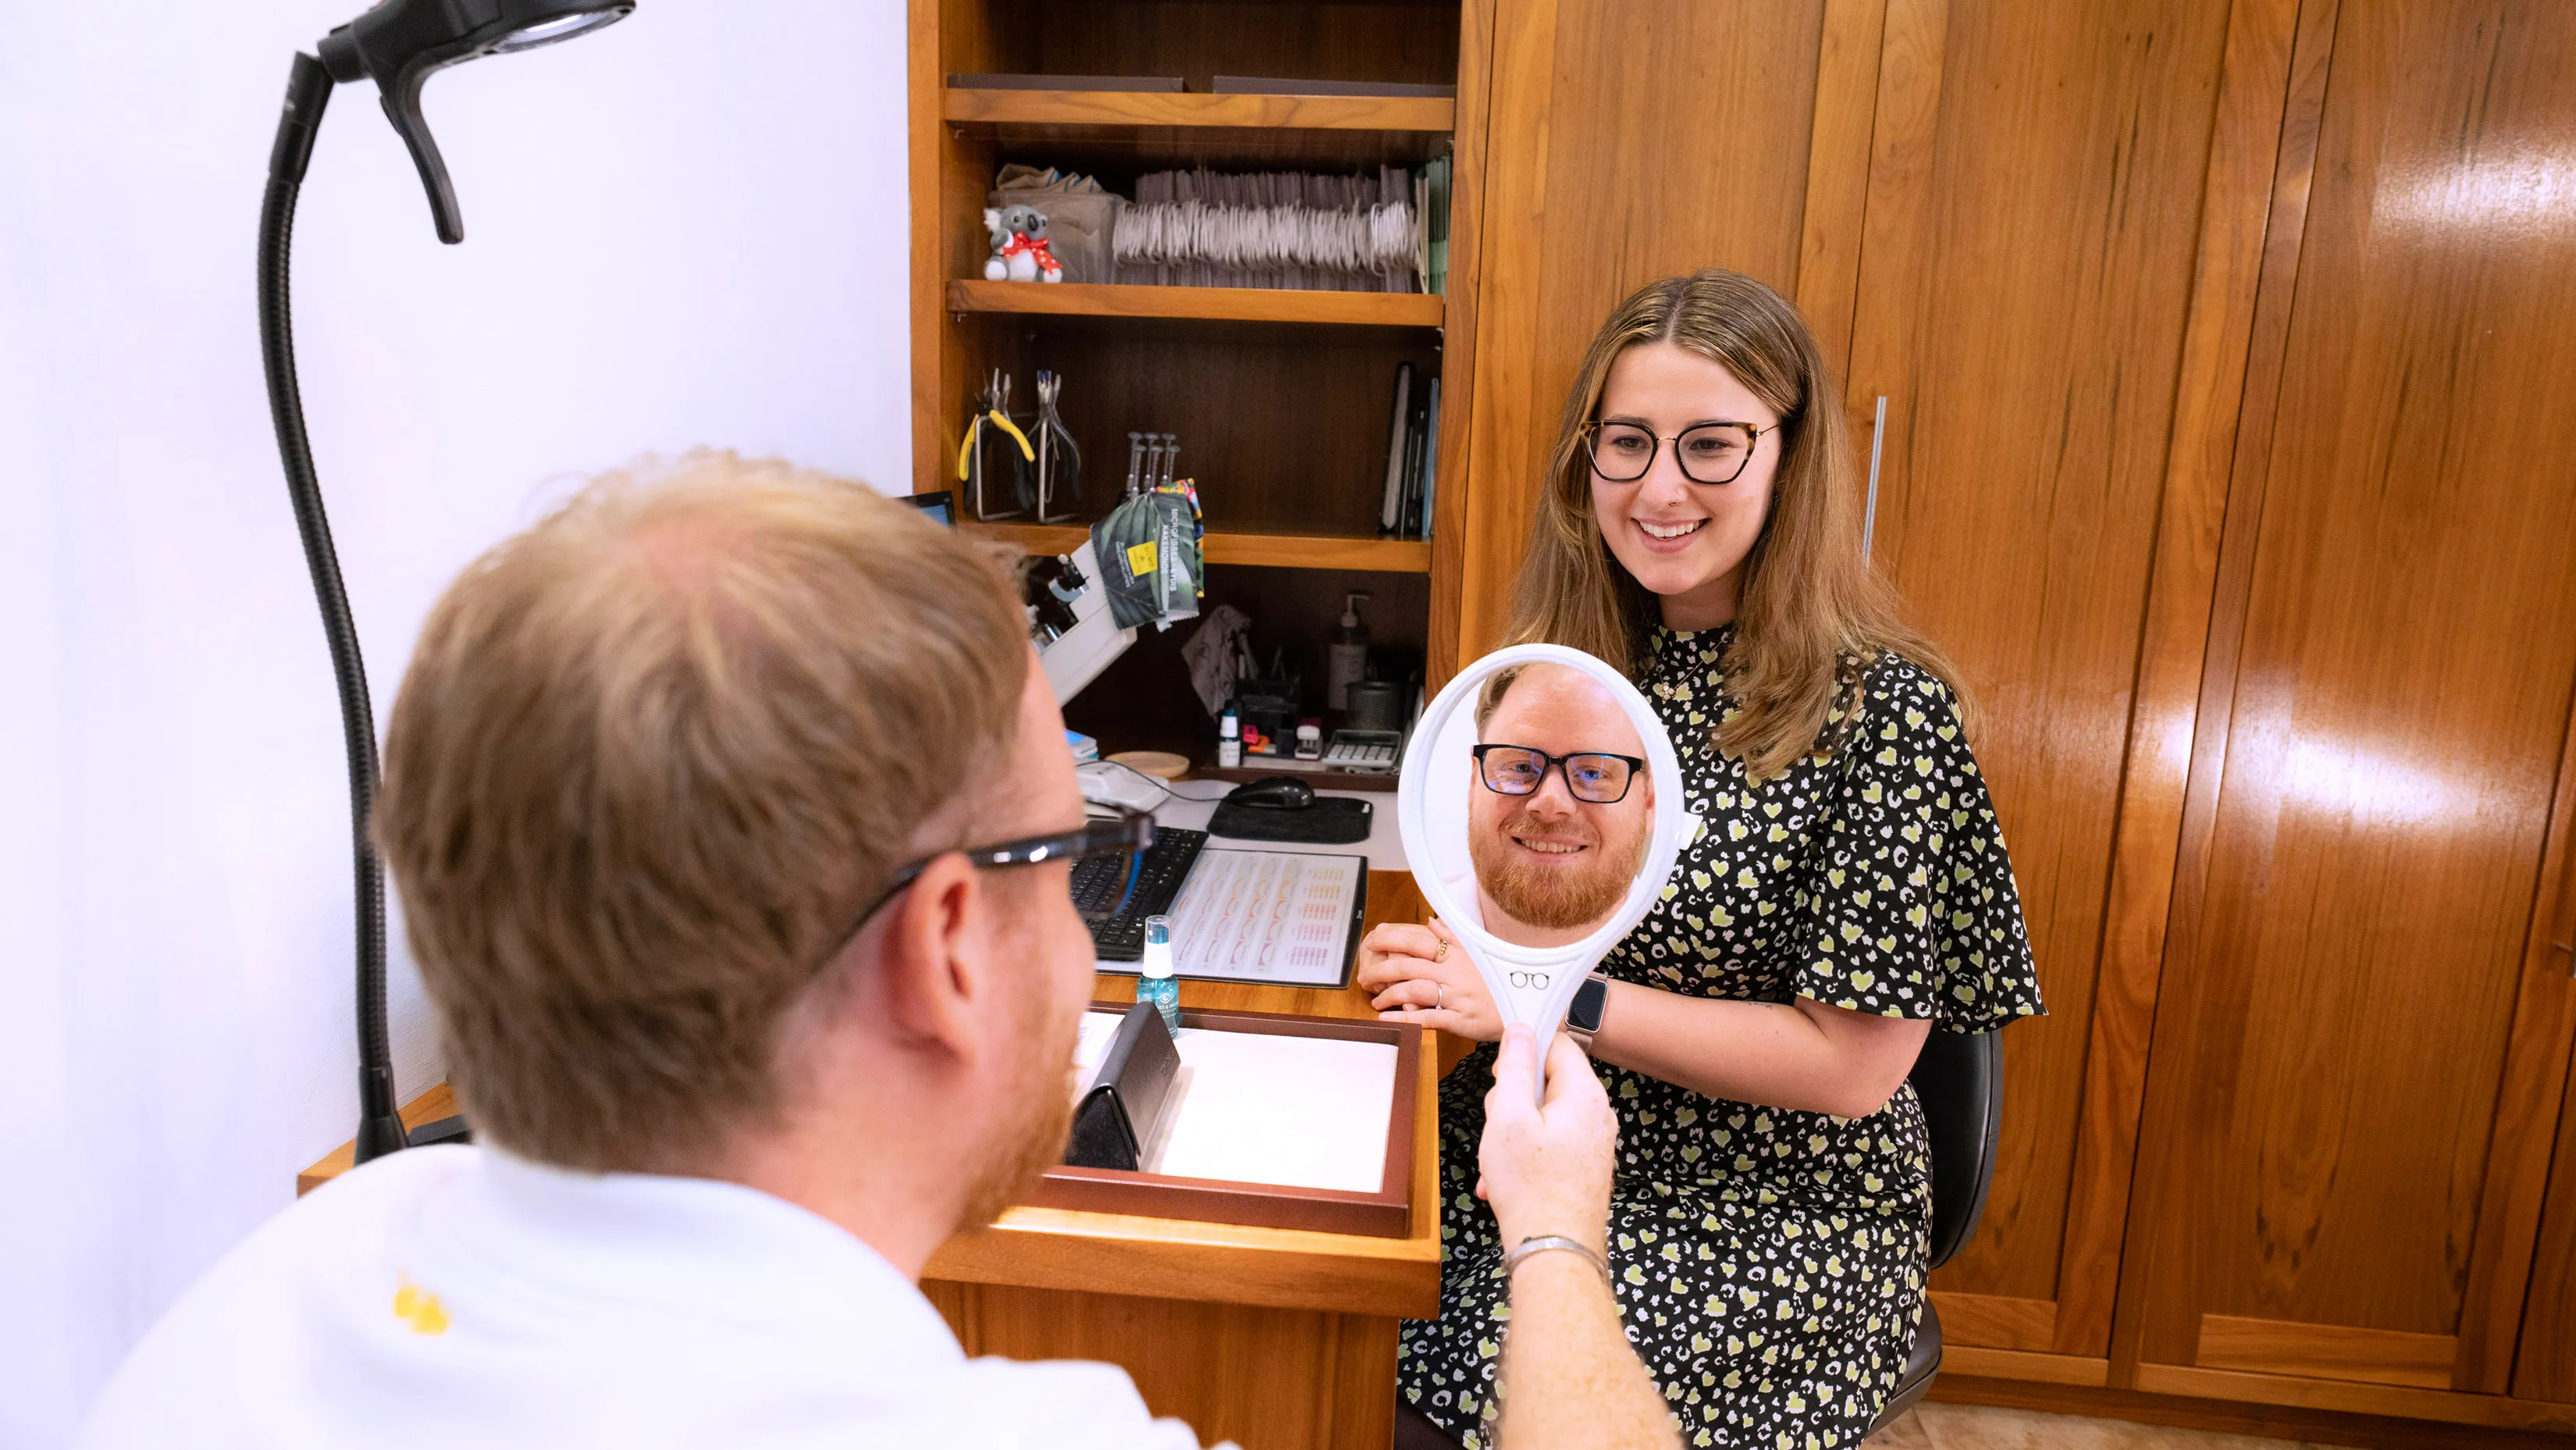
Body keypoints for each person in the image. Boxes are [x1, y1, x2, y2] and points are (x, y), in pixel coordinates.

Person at [79, 453, 1675, 1450]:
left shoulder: (260, 1293)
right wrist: (1551, 1237)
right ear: (945, 947)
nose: (1086, 911)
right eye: (1074, 857)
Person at [1360, 271, 2048, 1448]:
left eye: (1711, 445)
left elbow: (1852, 1071)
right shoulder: (1568, 675)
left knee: (1480, 1381)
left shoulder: (1886, 715)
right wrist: (1457, 952)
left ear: (1790, 459)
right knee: (1347, 1294)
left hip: (1773, 1205)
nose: (1660, 487)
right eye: (1626, 442)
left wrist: (1554, 999)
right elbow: (1518, 912)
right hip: (1547, 1134)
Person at [1460, 661, 1655, 947]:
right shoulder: (1408, 927)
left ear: (1648, 803)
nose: (1551, 803)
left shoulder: (1696, 972)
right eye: (1522, 768)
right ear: (1474, 781)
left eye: (1593, 773)